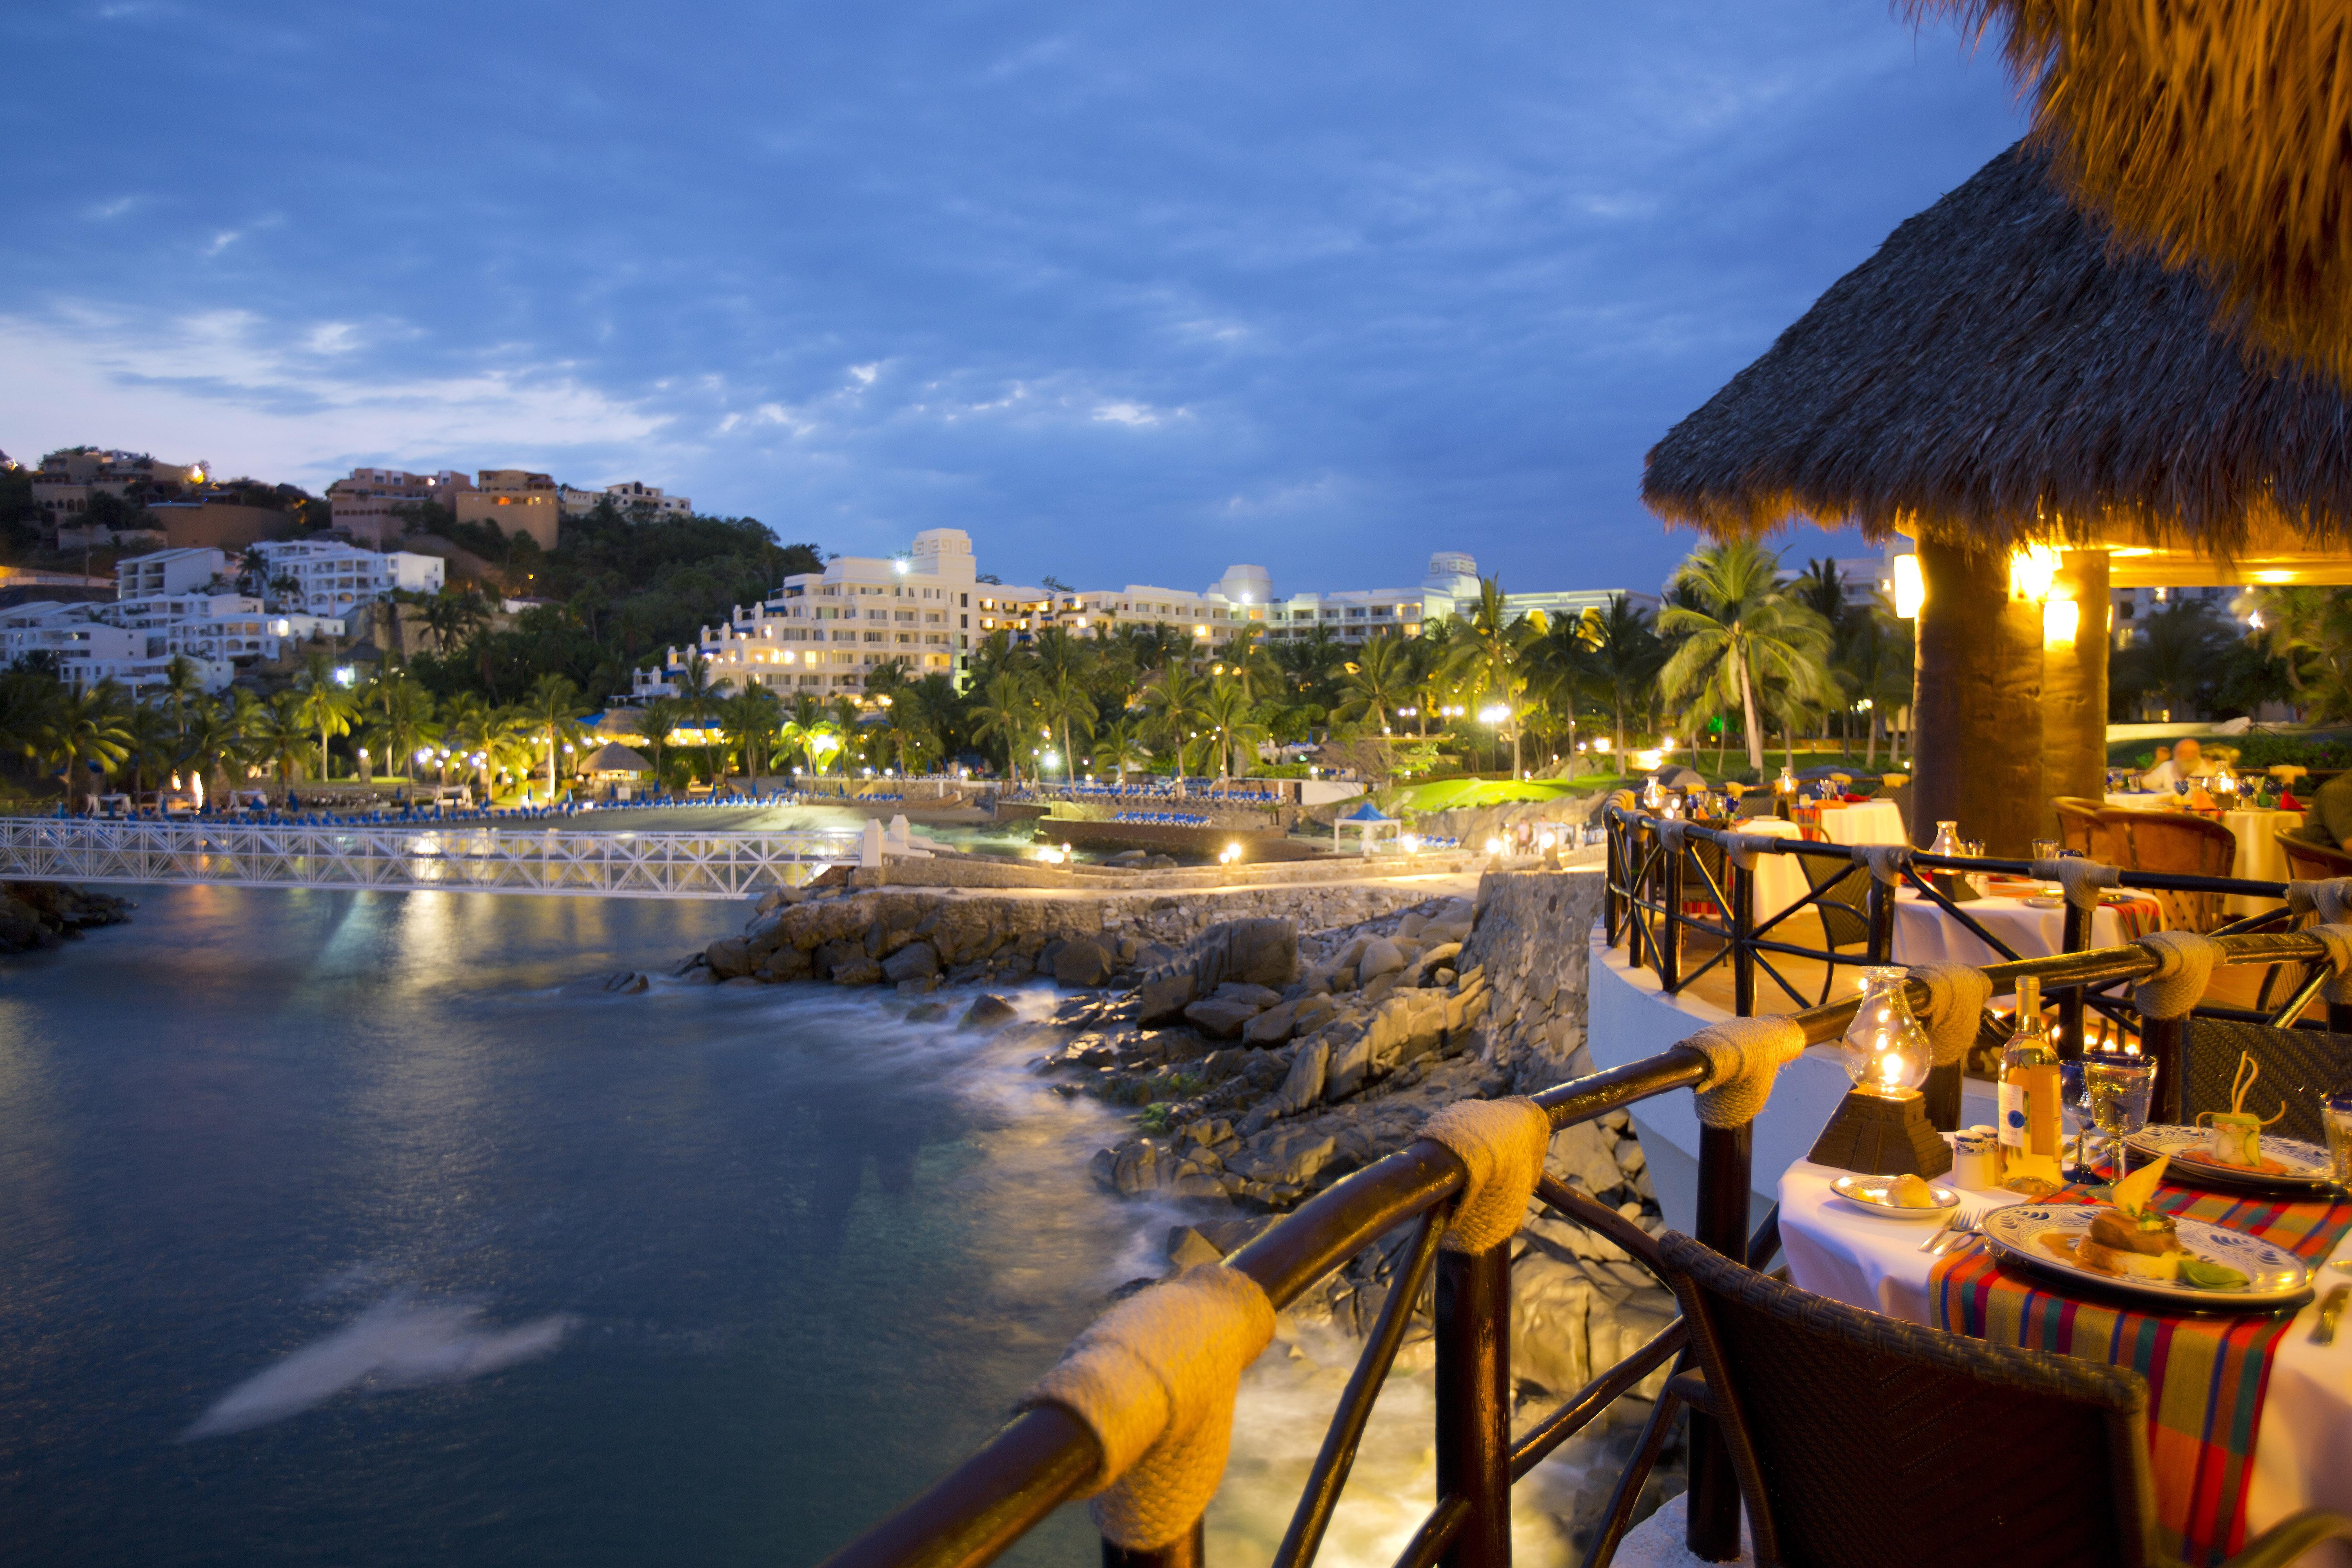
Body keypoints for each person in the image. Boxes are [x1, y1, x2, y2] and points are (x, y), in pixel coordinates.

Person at [2139, 737, 2208, 792]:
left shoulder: (2210, 770)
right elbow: (2144, 785)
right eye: (2183, 753)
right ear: (2175, 755)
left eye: (2193, 753)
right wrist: (2158, 762)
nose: (2189, 756)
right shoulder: (2166, 767)